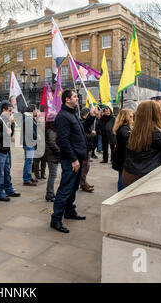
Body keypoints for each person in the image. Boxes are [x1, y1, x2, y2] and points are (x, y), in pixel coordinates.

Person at [50, 89, 97, 233]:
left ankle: (70, 211)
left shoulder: (73, 113)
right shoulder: (63, 116)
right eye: (75, 96)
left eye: (77, 96)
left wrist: (91, 117)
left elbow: (80, 130)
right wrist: (73, 159)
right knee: (65, 189)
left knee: (73, 188)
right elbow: (62, 140)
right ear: (67, 100)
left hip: (77, 158)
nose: (77, 98)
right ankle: (56, 219)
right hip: (71, 160)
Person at [122, 100, 161, 188]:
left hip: (129, 175)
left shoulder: (134, 131)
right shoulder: (155, 134)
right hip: (145, 178)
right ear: (155, 114)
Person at [0, 100, 20, 202]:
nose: (11, 112)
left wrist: (11, 126)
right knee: (0, 172)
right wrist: (6, 132)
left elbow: (10, 135)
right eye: (10, 110)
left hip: (6, 149)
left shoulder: (7, 120)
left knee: (7, 171)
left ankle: (9, 189)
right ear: (4, 110)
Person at [112, 108, 134, 192]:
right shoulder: (124, 128)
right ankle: (120, 194)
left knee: (122, 176)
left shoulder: (122, 127)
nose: (132, 119)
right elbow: (126, 136)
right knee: (122, 177)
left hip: (121, 156)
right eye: (131, 117)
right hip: (122, 157)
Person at [44, 111, 60, 202]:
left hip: (51, 155)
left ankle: (50, 193)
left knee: (52, 175)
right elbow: (52, 143)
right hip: (52, 155)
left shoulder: (51, 129)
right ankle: (49, 194)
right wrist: (59, 151)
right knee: (52, 175)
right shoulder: (51, 130)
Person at [21, 104, 38, 186]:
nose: (37, 111)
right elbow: (30, 132)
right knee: (29, 161)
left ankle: (28, 176)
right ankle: (26, 179)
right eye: (36, 109)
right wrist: (37, 136)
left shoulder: (29, 118)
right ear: (32, 110)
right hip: (29, 143)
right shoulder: (28, 119)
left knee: (29, 161)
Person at [79, 107, 95, 193]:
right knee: (84, 167)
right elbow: (84, 136)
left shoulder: (85, 123)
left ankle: (84, 182)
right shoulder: (81, 123)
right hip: (84, 148)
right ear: (85, 115)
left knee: (86, 166)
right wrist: (92, 134)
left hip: (87, 147)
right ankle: (83, 184)